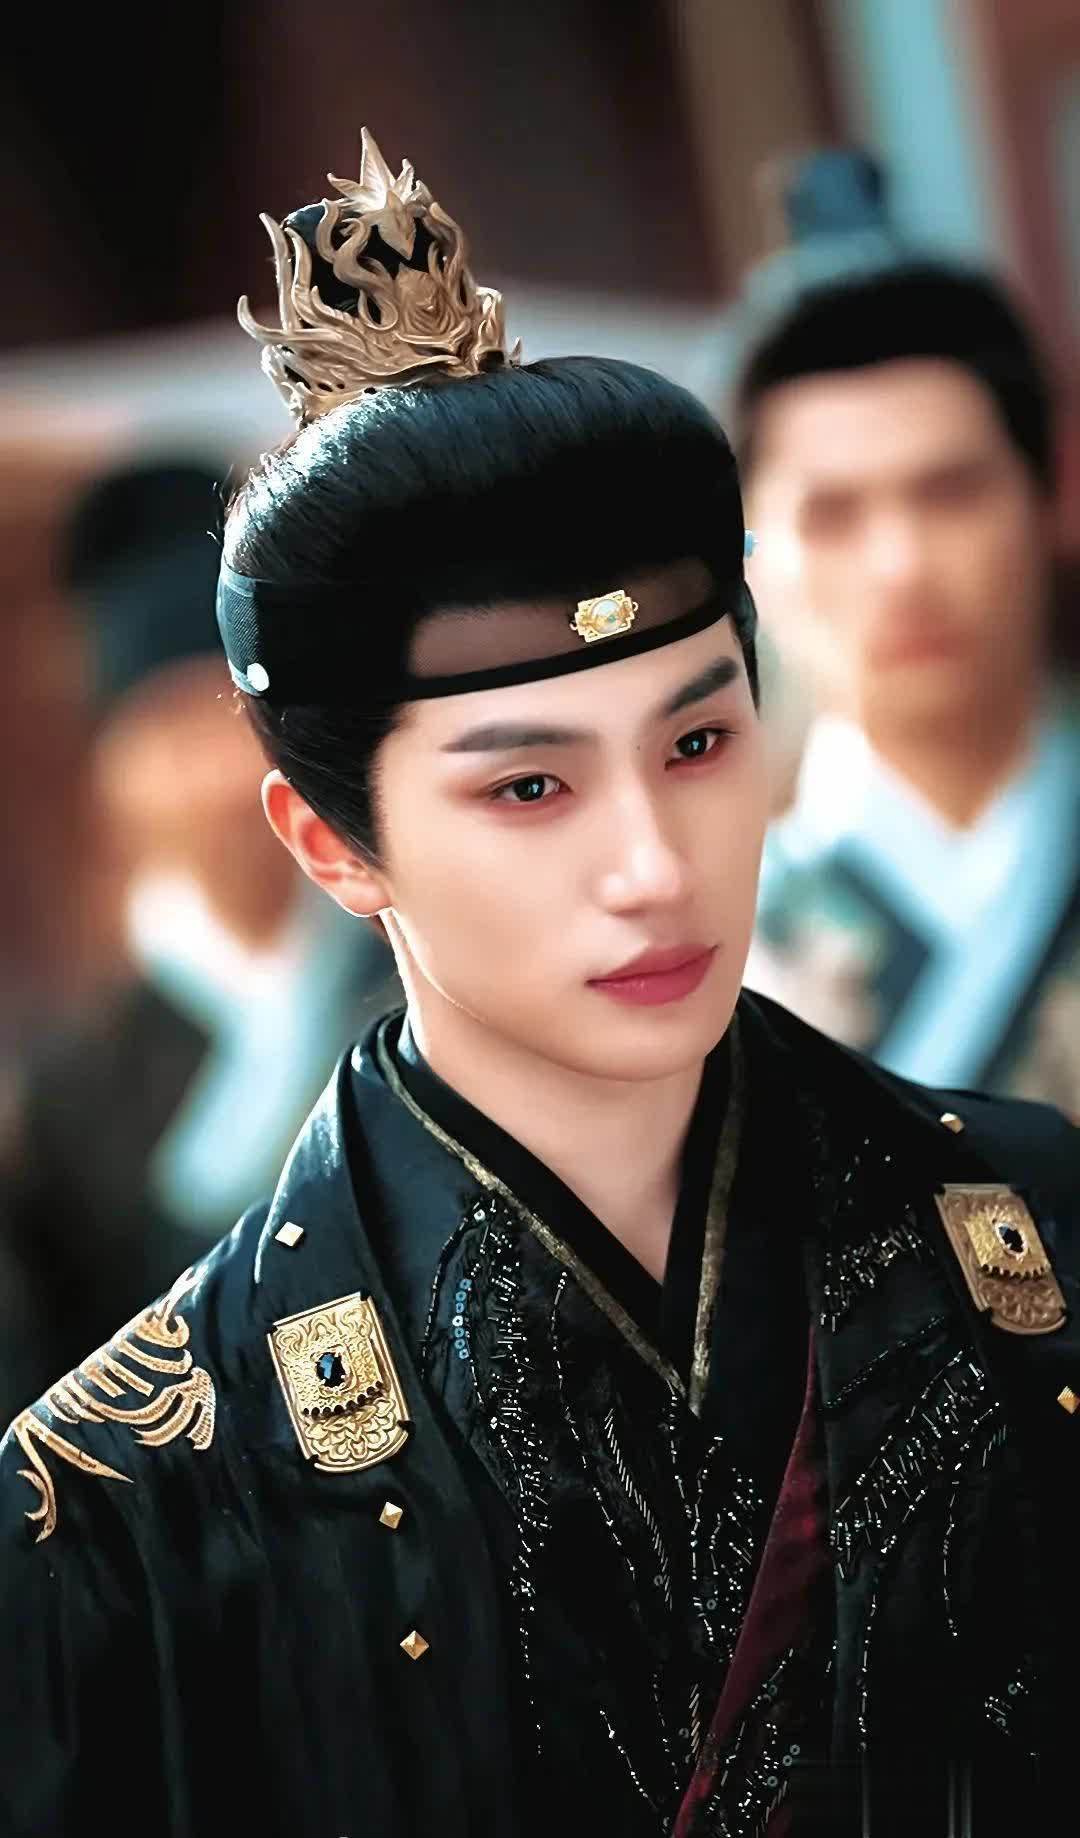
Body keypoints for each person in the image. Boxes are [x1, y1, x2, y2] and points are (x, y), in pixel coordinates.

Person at [1, 130, 1077, 1838]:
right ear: (331, 841)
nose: (652, 861)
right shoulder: (133, 1495)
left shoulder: (1036, 1231)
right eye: (529, 784)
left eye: (699, 742)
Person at [0, 458, 394, 1420]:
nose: (216, 776)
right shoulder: (80, 1084)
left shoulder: (413, 979)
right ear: (110, 779)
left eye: (231, 720)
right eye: (167, 734)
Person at [733, 151, 1080, 1111]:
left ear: (1053, 494)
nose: (901, 566)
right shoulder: (711, 952)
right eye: (832, 515)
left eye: (952, 493)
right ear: (747, 551)